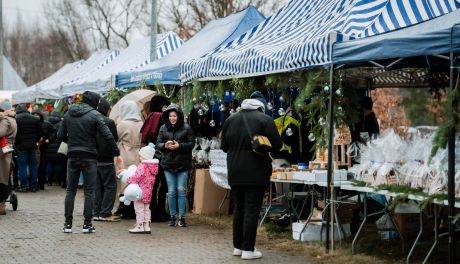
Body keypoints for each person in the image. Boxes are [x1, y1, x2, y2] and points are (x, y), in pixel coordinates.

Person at [221, 91, 282, 260]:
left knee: (238, 207)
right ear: (261, 106)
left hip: (234, 169)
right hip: (256, 170)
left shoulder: (230, 119)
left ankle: (238, 247)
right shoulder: (265, 119)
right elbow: (277, 145)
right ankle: (248, 249)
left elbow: (224, 146)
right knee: (251, 209)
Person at [58, 91, 120, 234]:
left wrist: (73, 143)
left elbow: (60, 135)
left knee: (70, 190)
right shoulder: (95, 115)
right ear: (93, 101)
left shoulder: (68, 113)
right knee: (89, 191)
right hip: (90, 157)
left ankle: (68, 224)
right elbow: (108, 135)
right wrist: (116, 152)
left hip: (73, 155)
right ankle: (87, 225)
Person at [156, 104, 195, 227]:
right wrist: (165, 145)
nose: (172, 118)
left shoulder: (187, 128)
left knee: (181, 190)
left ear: (179, 116)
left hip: (182, 164)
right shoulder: (163, 128)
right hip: (168, 164)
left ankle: (182, 217)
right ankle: (172, 216)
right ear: (167, 117)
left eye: (175, 116)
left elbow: (191, 144)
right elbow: (158, 143)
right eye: (170, 116)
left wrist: (180, 146)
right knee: (171, 191)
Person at [140, 95, 170, 222]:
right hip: (162, 154)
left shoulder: (151, 116)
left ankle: (151, 210)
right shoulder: (161, 117)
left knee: (152, 183)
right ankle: (161, 211)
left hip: (150, 154)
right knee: (163, 183)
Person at [114, 100, 143, 218]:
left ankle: (124, 208)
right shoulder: (142, 123)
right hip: (138, 153)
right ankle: (135, 208)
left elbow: (116, 137)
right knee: (136, 180)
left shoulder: (123, 124)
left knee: (124, 180)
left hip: (125, 153)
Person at [93, 98, 120, 222]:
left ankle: (96, 212)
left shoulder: (91, 120)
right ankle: (105, 212)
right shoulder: (109, 122)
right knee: (110, 186)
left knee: (97, 186)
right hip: (107, 158)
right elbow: (114, 138)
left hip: (94, 158)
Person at [127, 143, 158, 234]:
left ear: (145, 156)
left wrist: (129, 179)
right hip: (148, 192)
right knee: (146, 209)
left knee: (139, 209)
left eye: (141, 156)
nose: (140, 158)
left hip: (139, 192)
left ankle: (139, 226)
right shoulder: (153, 167)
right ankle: (147, 226)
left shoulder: (143, 165)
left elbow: (138, 176)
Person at [14, 104, 41, 192]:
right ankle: (33, 186)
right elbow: (40, 132)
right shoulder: (35, 119)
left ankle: (24, 186)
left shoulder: (16, 119)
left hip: (21, 146)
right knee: (33, 166)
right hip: (32, 146)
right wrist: (34, 140)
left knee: (22, 167)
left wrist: (17, 142)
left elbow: (14, 133)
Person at [0, 99, 17, 215]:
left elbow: (0, 133)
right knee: (6, 177)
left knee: (2, 178)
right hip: (9, 148)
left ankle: (1, 204)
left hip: (3, 149)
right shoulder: (13, 119)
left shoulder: (5, 120)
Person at [43, 110, 64, 186]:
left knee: (50, 163)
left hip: (48, 146)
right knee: (58, 163)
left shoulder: (47, 123)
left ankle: (49, 181)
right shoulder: (61, 124)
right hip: (59, 146)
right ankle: (58, 180)